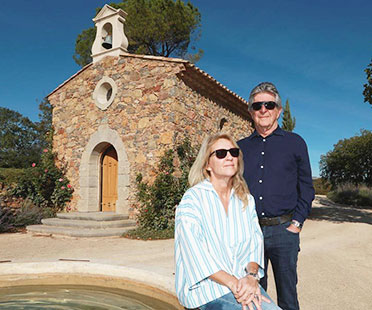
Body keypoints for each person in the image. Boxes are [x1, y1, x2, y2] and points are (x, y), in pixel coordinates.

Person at [175, 133, 281, 310]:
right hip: (206, 289)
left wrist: (252, 277)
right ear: (207, 164)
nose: (230, 157)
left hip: (242, 283)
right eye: (221, 153)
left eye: (233, 152)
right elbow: (195, 253)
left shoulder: (246, 200)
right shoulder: (193, 199)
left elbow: (254, 244)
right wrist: (234, 284)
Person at [237, 82, 315, 310]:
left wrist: (297, 223)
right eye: (257, 105)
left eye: (269, 105)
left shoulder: (295, 143)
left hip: (284, 231)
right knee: (252, 296)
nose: (263, 110)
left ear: (278, 111)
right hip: (250, 232)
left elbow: (306, 188)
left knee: (287, 296)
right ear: (251, 111)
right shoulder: (240, 148)